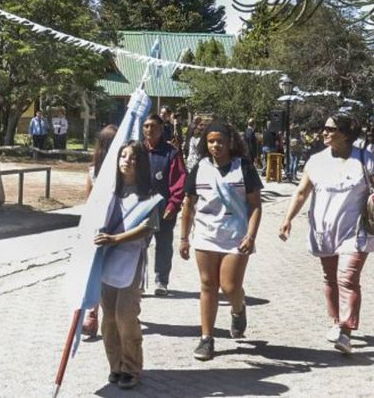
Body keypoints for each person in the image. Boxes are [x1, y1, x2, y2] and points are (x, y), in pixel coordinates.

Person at [279, 113, 373, 354]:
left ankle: (346, 331)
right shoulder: (316, 161)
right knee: (330, 278)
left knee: (347, 278)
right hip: (324, 230)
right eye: (325, 128)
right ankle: (334, 321)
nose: (324, 132)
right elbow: (301, 192)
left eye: (331, 129)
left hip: (356, 231)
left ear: (345, 134)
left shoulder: (365, 159)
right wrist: (287, 219)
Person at [179, 120, 263, 361]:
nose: (216, 145)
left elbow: (256, 205)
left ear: (230, 143)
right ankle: (207, 338)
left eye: (220, 141)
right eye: (211, 141)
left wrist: (251, 235)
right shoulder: (199, 168)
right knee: (207, 284)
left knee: (229, 286)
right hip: (205, 234)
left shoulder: (243, 167)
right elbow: (189, 206)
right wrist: (184, 238)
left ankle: (238, 310)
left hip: (236, 235)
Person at [94, 140, 161, 390]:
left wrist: (116, 239)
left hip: (131, 260)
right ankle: (116, 365)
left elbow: (149, 227)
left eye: (133, 158)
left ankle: (132, 367)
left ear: (141, 163)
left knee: (125, 315)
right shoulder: (109, 191)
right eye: (123, 156)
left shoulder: (148, 196)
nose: (127, 161)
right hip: (106, 261)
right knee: (109, 317)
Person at [142, 113, 187, 295]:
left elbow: (179, 181)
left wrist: (173, 205)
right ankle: (137, 281)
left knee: (164, 245)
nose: (150, 130)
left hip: (164, 210)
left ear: (161, 129)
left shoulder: (171, 153)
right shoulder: (137, 151)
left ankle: (161, 281)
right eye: (146, 126)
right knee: (137, 246)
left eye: (153, 126)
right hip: (140, 210)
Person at [82, 124, 119, 337]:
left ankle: (119, 312)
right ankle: (92, 313)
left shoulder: (126, 168)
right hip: (99, 228)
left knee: (114, 273)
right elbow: (88, 202)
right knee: (95, 272)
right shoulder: (93, 171)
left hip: (120, 229)